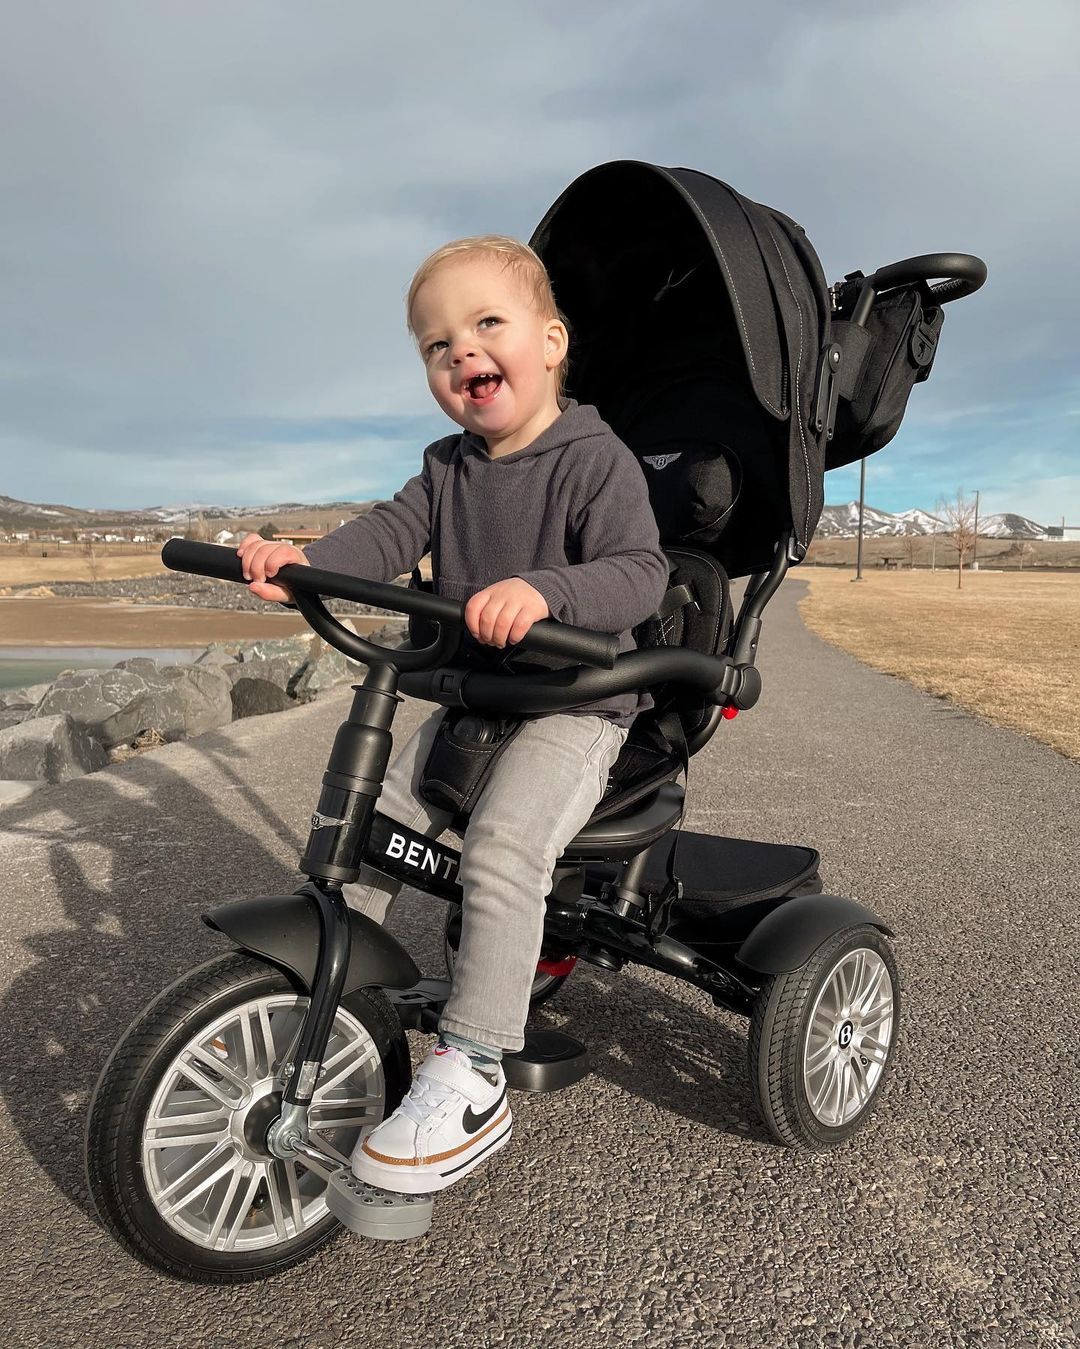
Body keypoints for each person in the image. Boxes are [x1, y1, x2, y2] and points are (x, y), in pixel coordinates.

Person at [237, 235, 669, 1194]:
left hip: (573, 705)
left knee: (503, 851)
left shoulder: (597, 461)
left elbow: (641, 572)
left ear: (550, 342)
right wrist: (306, 562)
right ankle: (332, 997)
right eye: (437, 345)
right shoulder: (447, 467)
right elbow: (388, 532)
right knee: (373, 820)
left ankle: (473, 1067)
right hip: (472, 695)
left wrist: (547, 592)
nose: (461, 354)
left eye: (485, 326)